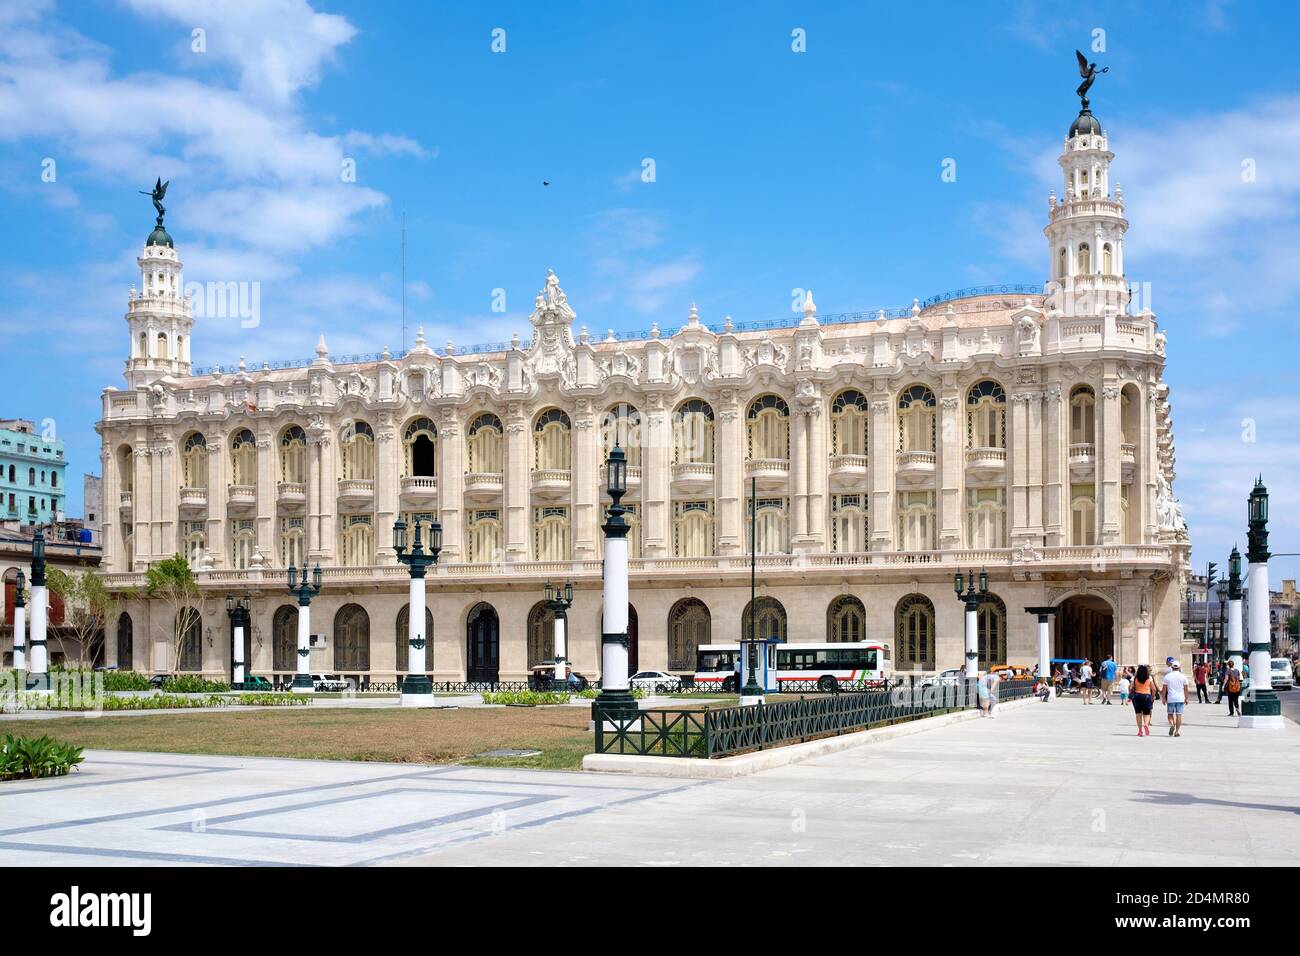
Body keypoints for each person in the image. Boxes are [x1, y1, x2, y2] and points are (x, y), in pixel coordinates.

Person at [1161, 660, 1190, 737]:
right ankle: (1177, 731)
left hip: (1171, 698)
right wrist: (1186, 698)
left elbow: (1164, 689)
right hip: (1180, 698)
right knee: (1179, 715)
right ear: (1179, 667)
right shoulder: (1183, 677)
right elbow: (1186, 689)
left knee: (1170, 714)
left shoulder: (1167, 677)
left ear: (1171, 667)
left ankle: (1171, 725)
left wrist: (1163, 698)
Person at [1130, 665, 1157, 736]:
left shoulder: (1134, 677)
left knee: (1138, 714)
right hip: (1147, 696)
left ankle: (1140, 731)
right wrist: (1153, 697)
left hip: (1137, 696)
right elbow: (1154, 689)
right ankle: (1146, 724)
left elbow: (1130, 688)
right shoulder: (1149, 678)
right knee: (1147, 713)